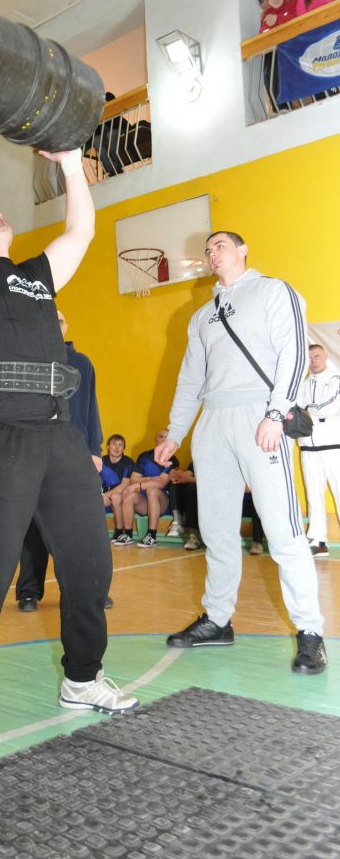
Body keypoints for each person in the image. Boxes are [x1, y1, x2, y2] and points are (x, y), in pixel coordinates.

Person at [0, 84, 138, 766]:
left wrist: (72, 160)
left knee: (90, 568)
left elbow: (84, 232)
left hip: (58, 437)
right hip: (2, 438)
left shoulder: (38, 277)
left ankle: (81, 679)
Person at [157, 230, 326, 675]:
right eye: (208, 249)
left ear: (243, 251)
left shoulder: (274, 290)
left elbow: (293, 353)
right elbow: (190, 380)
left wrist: (277, 412)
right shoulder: (200, 317)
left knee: (283, 530)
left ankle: (310, 632)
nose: (213, 253)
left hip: (260, 416)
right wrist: (174, 434)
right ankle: (217, 619)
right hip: (213, 422)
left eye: (221, 246)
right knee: (216, 530)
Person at [16, 309, 112, 611]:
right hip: (35, 456)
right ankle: (29, 592)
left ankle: (87, 591)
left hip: (74, 456)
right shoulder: (28, 363)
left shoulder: (82, 363)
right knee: (33, 530)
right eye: (48, 321)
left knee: (78, 530)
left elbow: (91, 408)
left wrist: (95, 450)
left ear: (65, 325)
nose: (54, 326)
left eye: (58, 321)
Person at [297, 343, 340, 558]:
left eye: (317, 356)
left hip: (334, 448)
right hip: (307, 448)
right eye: (310, 357)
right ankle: (318, 540)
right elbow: (295, 408)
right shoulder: (302, 384)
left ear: (325, 357)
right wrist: (309, 412)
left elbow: (331, 408)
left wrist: (308, 411)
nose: (314, 360)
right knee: (313, 496)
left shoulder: (336, 380)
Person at [120, 430, 179, 548]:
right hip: (144, 502)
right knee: (129, 494)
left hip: (162, 503)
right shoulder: (144, 456)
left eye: (167, 438)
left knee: (152, 491)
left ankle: (151, 536)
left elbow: (160, 484)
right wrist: (149, 479)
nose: (163, 440)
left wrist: (138, 485)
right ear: (155, 439)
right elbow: (133, 479)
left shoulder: (173, 460)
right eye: (161, 437)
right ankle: (127, 535)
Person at [104, 435, 137, 546]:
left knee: (116, 497)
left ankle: (120, 531)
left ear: (124, 448)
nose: (117, 448)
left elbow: (124, 485)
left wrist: (105, 495)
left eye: (120, 445)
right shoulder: (101, 461)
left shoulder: (128, 462)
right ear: (108, 446)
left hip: (121, 495)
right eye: (114, 444)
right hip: (104, 496)